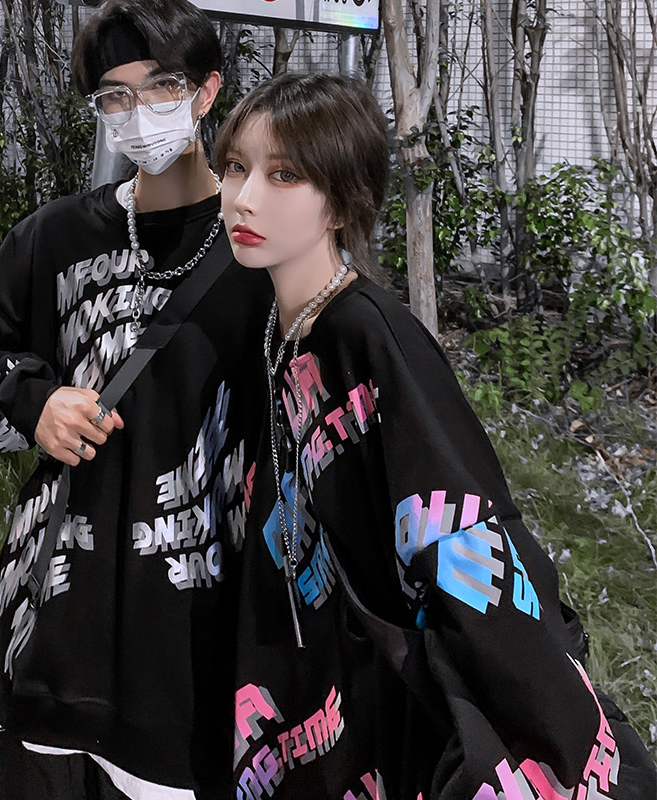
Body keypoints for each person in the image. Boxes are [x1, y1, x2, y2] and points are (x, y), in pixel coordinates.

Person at [215, 72, 657, 799]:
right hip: (316, 679)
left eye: (284, 174)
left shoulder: (370, 337)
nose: (245, 197)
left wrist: (537, 700)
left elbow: (461, 523)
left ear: (340, 201)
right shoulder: (277, 326)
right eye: (237, 167)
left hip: (389, 702)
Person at [0, 1, 270, 797]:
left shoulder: (259, 244)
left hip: (192, 656)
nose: (138, 112)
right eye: (114, 95)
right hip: (55, 626)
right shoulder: (58, 236)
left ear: (207, 90)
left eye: (162, 87)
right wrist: (31, 403)